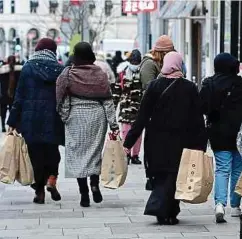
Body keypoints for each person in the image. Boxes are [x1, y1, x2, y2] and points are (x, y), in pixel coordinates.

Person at [123, 51, 206, 225]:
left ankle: (165, 210)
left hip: (156, 141)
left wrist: (128, 142)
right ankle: (167, 210)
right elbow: (197, 119)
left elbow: (142, 117)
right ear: (179, 65)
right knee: (175, 175)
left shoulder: (154, 86)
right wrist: (200, 144)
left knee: (161, 175)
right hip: (181, 141)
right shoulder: (189, 88)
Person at [56, 42, 119, 208]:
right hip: (97, 118)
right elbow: (108, 100)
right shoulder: (99, 73)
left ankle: (84, 193)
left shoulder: (68, 74)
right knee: (94, 154)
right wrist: (113, 124)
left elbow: (63, 100)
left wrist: (65, 116)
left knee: (78, 156)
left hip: (76, 117)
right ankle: (94, 185)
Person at [7, 38, 65, 204]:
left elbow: (20, 96)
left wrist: (12, 120)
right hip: (53, 118)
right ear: (53, 51)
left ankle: (39, 191)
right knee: (52, 151)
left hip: (30, 119)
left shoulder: (27, 68)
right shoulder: (60, 69)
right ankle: (52, 179)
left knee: (35, 155)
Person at [200, 53, 242, 222]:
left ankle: (219, 204)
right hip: (239, 134)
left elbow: (202, 106)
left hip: (217, 132)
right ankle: (236, 206)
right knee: (237, 169)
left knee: (222, 168)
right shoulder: (240, 84)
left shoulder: (209, 83)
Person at [112, 49, 142, 164]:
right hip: (126, 107)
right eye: (133, 62)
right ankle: (126, 153)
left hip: (139, 107)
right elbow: (117, 90)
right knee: (125, 131)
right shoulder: (122, 72)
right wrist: (114, 105)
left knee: (138, 133)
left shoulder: (142, 72)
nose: (135, 64)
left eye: (136, 62)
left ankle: (135, 155)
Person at [0, 55, 22, 132]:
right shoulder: (19, 70)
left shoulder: (2, 70)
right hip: (14, 95)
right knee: (14, 111)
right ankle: (12, 127)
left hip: (3, 95)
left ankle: (3, 126)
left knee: (3, 111)